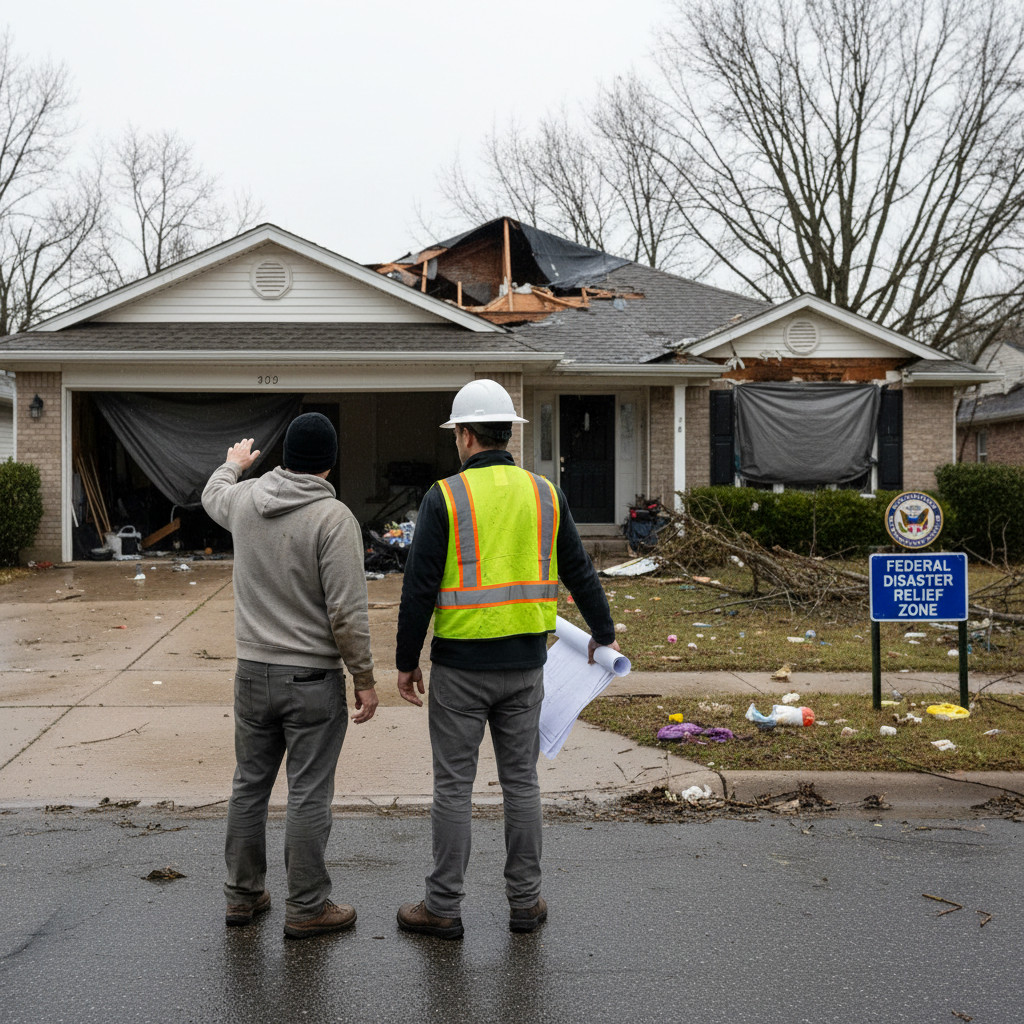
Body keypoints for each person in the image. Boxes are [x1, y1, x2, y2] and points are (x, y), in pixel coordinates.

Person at [394, 379, 618, 939]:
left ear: (465, 435)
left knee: (453, 786)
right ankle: (525, 903)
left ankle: (442, 907)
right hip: (525, 668)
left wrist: (405, 660)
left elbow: (418, 589)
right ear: (508, 432)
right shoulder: (546, 493)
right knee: (521, 783)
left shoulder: (443, 497)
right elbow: (579, 569)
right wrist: (603, 633)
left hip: (460, 669)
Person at [202, 412, 378, 939]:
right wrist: (364, 677)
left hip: (253, 672)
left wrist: (233, 465)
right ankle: (307, 907)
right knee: (307, 793)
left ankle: (242, 895)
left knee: (248, 786)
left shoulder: (246, 500)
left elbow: (213, 494)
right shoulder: (333, 518)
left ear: (284, 456)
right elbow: (347, 612)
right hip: (311, 681)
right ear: (330, 461)